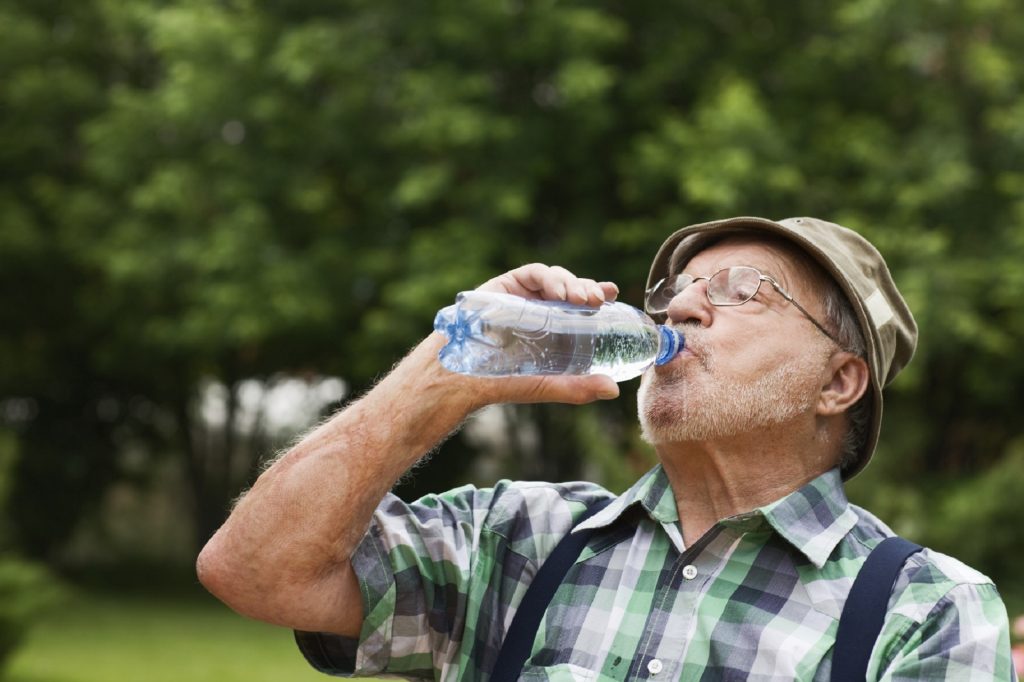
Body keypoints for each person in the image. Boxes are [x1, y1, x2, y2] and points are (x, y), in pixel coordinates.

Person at [197, 216, 1015, 680]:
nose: (685, 308)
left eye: (741, 293)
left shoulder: (924, 610)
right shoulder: (516, 538)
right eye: (681, 289)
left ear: (838, 384)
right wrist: (446, 374)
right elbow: (254, 570)